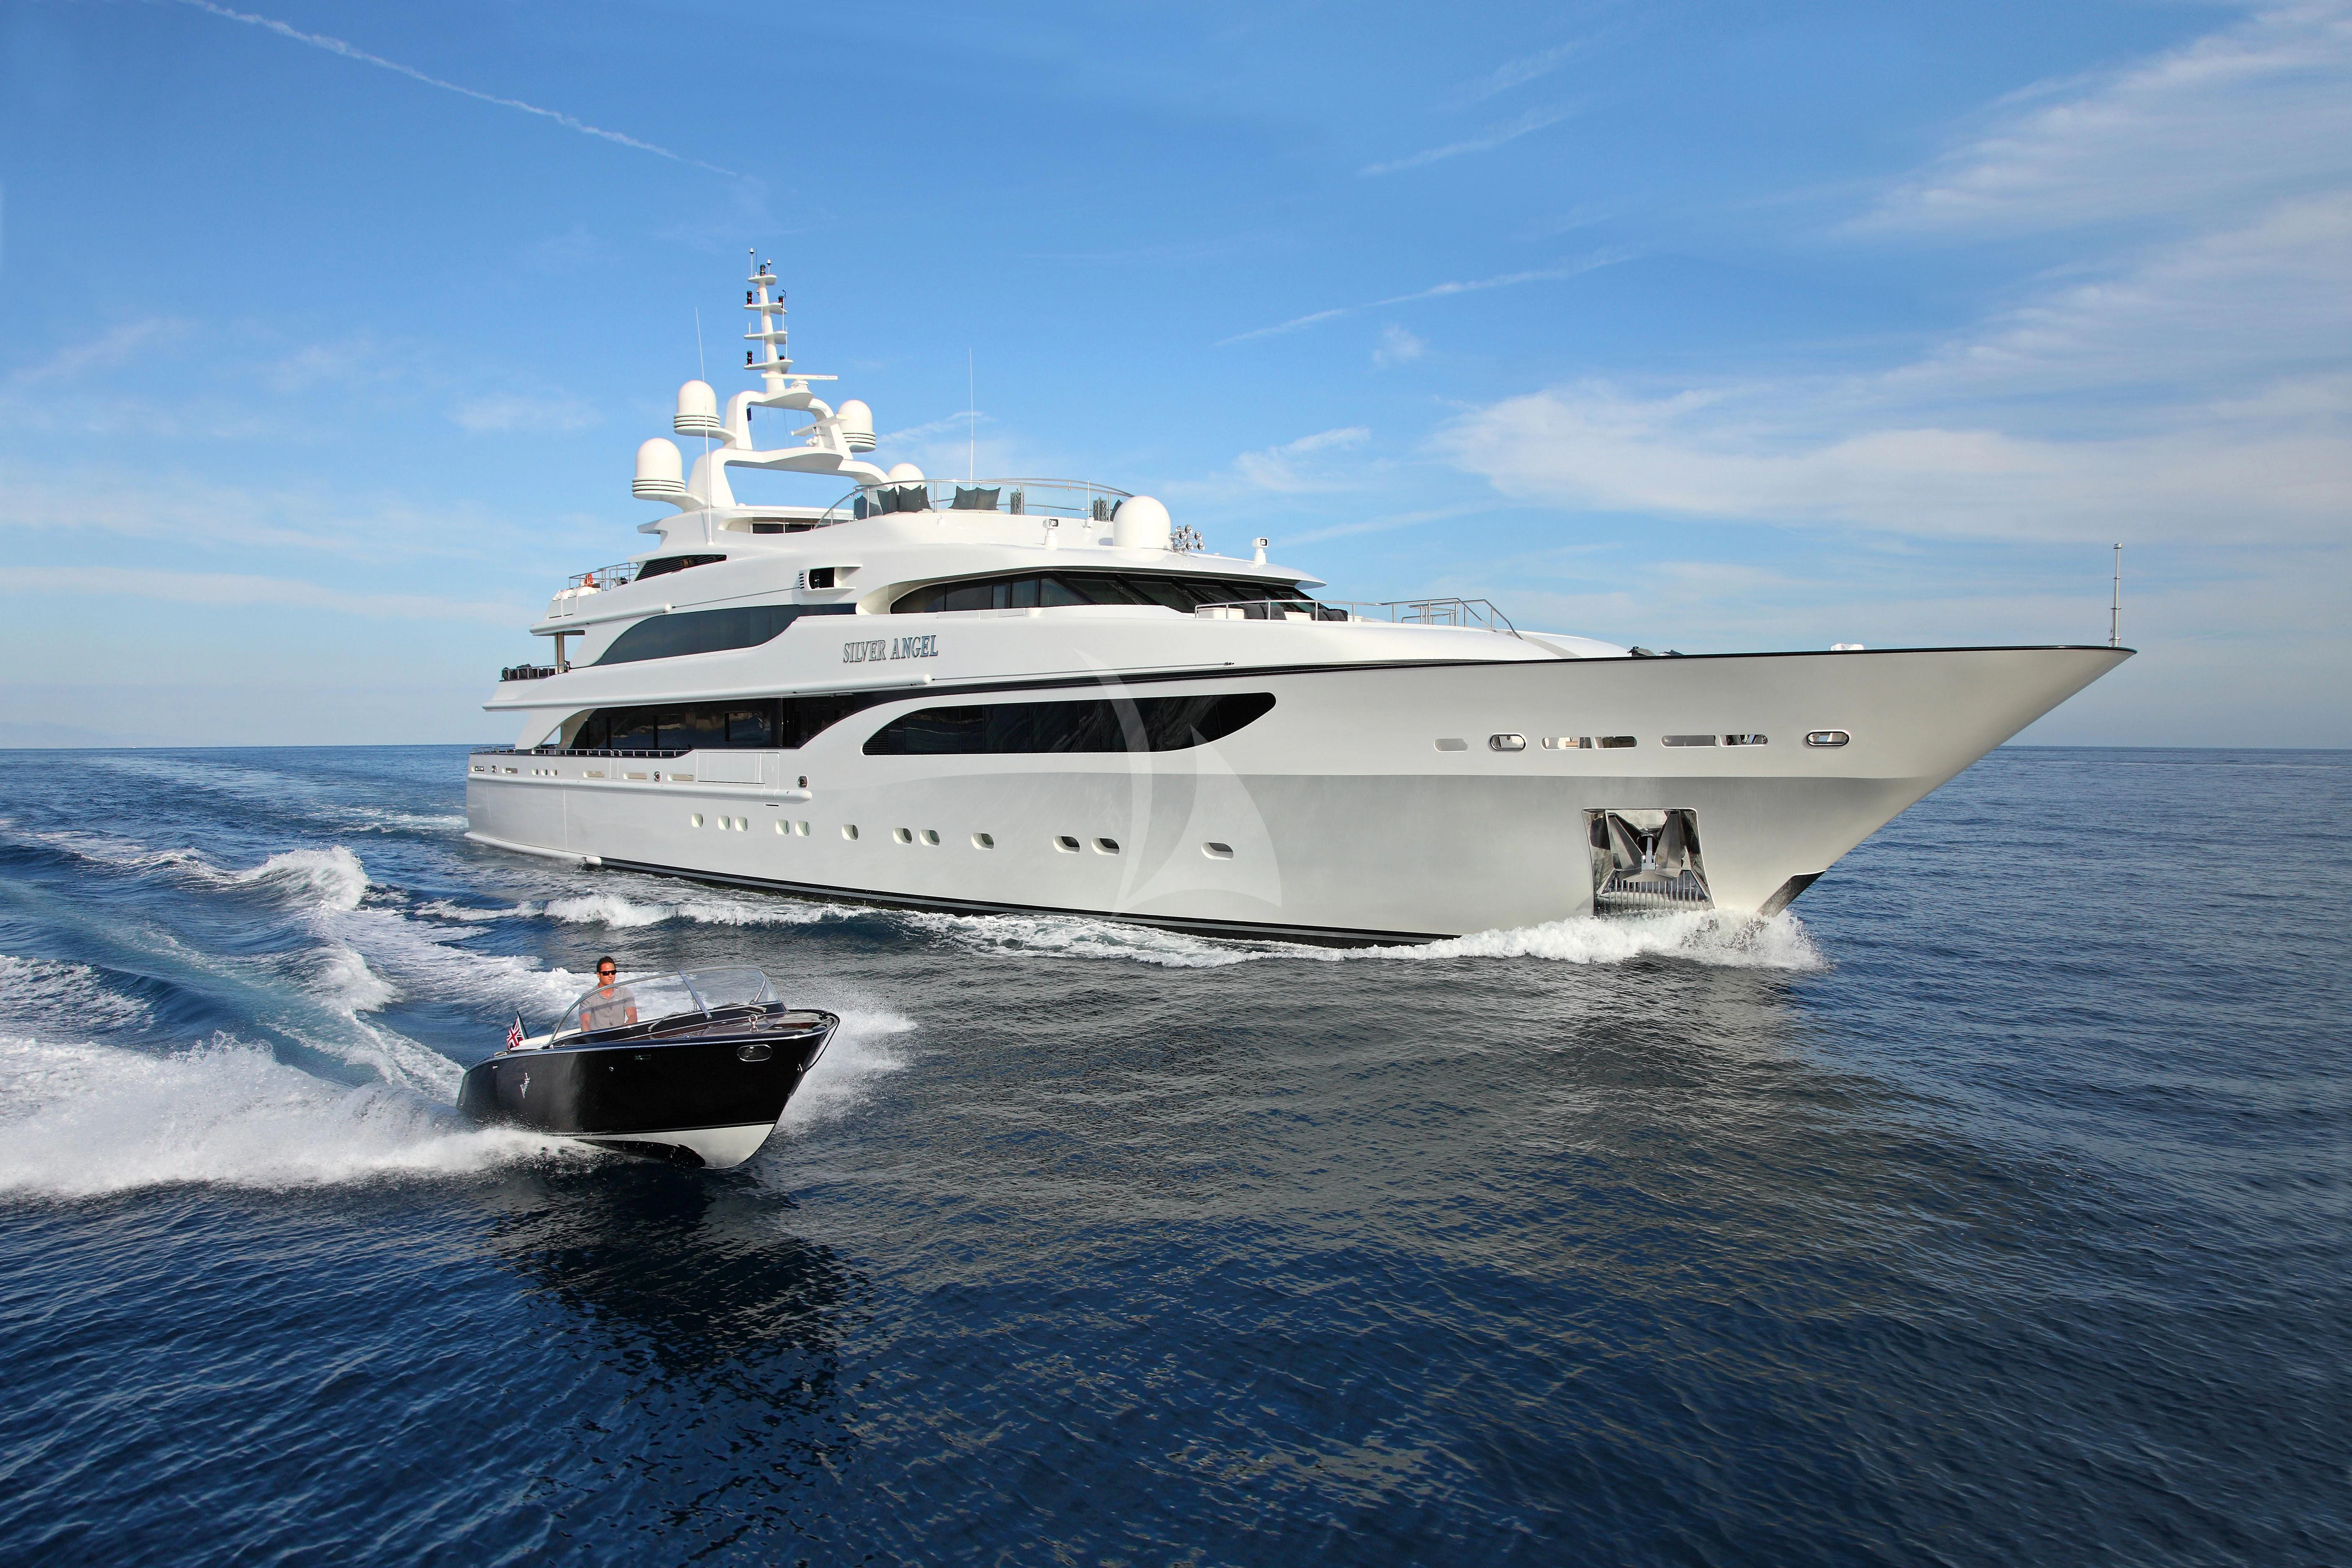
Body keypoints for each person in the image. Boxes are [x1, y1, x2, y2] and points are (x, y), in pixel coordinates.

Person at [579, 956, 637, 1032]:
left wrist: (622, 1032)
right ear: (598, 975)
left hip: (621, 1035)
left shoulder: (625, 993)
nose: (611, 976)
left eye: (613, 972)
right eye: (606, 973)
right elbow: (585, 1023)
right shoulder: (588, 997)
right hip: (597, 1037)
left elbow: (633, 1017)